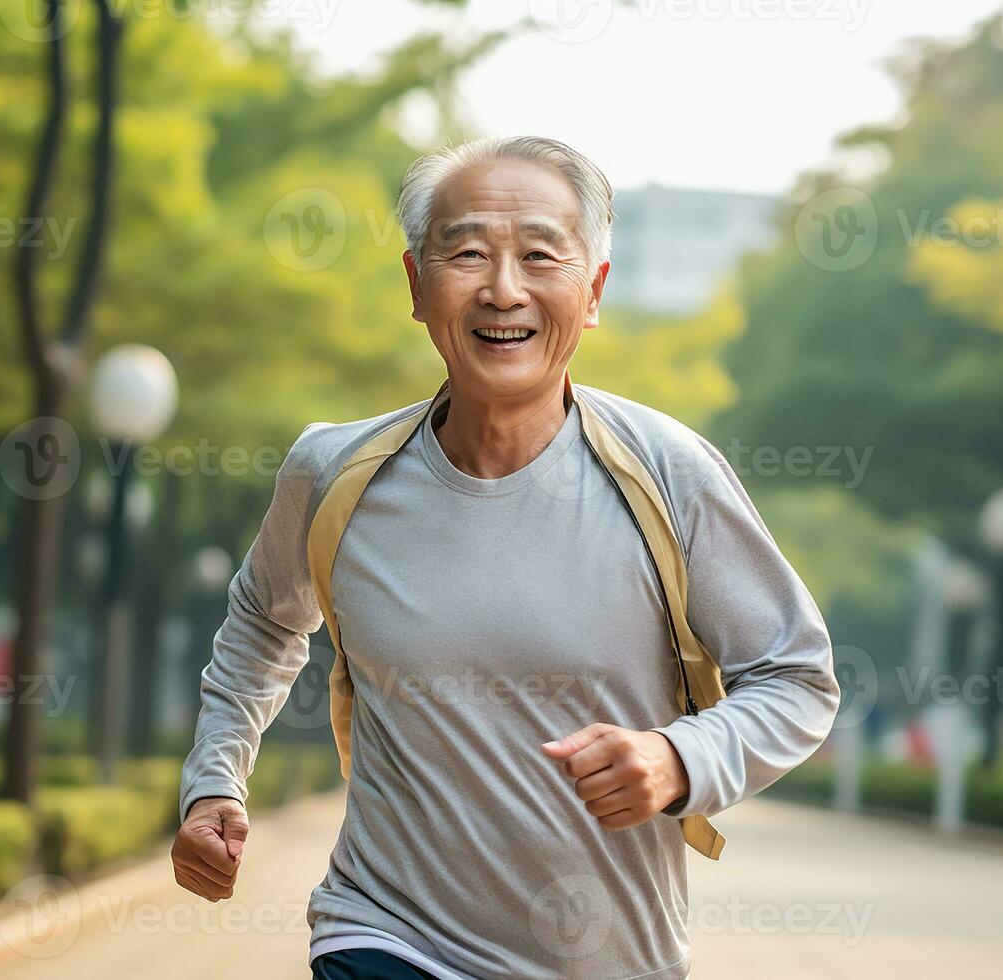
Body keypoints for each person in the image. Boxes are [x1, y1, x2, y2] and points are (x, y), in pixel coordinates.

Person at [171, 135, 840, 979]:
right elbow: (264, 622)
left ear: (592, 291)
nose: (503, 289)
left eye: (538, 255)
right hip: (383, 932)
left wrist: (679, 760)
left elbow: (797, 675)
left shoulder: (669, 475)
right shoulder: (333, 474)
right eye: (468, 253)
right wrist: (214, 782)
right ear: (417, 284)